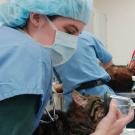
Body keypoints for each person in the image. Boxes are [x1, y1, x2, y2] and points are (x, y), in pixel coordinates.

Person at [0, 0, 92, 135]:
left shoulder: (7, 39)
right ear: (36, 17)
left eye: (77, 36)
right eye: (70, 31)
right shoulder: (29, 55)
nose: (73, 44)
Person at [54, 31, 115, 109]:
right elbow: (108, 62)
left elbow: (61, 83)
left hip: (74, 99)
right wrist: (93, 74)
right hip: (99, 92)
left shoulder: (51, 46)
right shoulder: (87, 36)